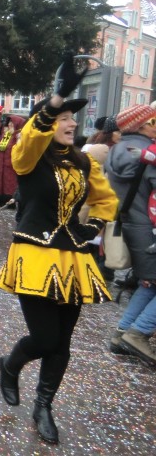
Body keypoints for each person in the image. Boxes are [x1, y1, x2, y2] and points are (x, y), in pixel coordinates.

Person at [0, 56, 118, 445]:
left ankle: (44, 405)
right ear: (47, 122)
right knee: (45, 338)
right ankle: (10, 365)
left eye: (72, 118)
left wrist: (92, 227)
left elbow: (105, 201)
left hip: (73, 259)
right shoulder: (28, 158)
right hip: (34, 256)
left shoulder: (83, 162)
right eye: (63, 118)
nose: (71, 123)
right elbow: (31, 136)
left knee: (62, 342)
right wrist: (57, 97)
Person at [103, 104, 156, 365]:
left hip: (130, 225)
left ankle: (122, 332)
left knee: (151, 282)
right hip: (150, 228)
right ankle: (139, 333)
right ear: (143, 125)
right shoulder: (149, 154)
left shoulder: (118, 150)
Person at [0, 115, 26, 207]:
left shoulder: (19, 136)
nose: (10, 124)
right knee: (0, 181)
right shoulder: (6, 135)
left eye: (12, 123)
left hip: (11, 165)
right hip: (1, 163)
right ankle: (0, 198)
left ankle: (10, 200)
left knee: (10, 183)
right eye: (9, 122)